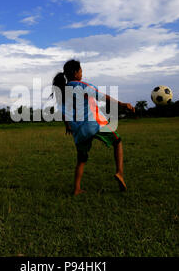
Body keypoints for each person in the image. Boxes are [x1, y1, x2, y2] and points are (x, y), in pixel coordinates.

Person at [52, 59, 135, 195]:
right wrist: (122, 104)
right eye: (81, 71)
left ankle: (77, 189)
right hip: (94, 124)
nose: (82, 74)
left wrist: (67, 126)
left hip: (79, 132)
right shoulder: (82, 85)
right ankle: (120, 173)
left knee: (81, 159)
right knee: (117, 141)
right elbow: (102, 97)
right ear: (75, 72)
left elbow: (64, 112)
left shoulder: (63, 91)